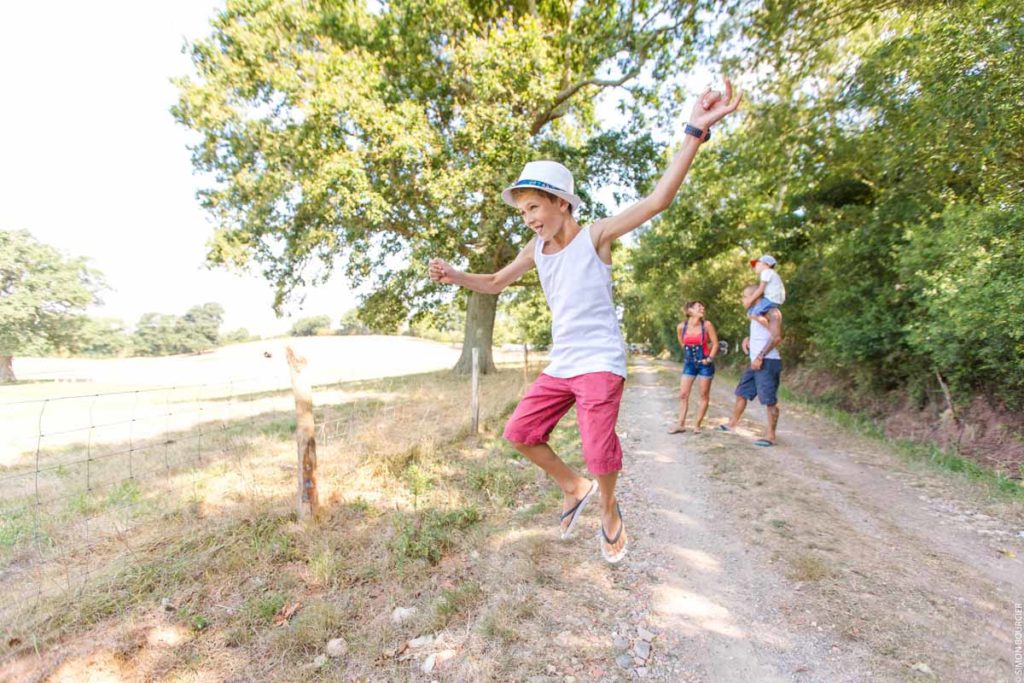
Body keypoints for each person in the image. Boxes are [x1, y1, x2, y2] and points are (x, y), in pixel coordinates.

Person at [428, 81, 742, 563]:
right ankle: (574, 487)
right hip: (563, 363)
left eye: (533, 207)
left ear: (561, 202)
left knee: (599, 451)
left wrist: (694, 131)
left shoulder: (596, 237)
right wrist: (455, 275)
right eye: (522, 211)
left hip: (600, 361)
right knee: (520, 432)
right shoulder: (535, 250)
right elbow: (493, 282)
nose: (528, 218)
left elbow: (657, 200)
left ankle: (610, 511)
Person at [718, 284, 783, 446]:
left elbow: (776, 337)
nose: (743, 300)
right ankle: (732, 424)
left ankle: (770, 436)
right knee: (742, 392)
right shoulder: (755, 313)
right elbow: (763, 334)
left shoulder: (772, 311)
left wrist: (760, 356)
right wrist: (748, 339)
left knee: (769, 400)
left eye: (745, 296)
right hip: (755, 361)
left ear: (756, 296)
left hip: (767, 361)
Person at [668, 300, 719, 434]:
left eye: (703, 306)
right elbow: (682, 343)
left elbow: (715, 344)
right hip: (689, 363)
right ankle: (680, 425)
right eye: (698, 306)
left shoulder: (707, 325)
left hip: (705, 364)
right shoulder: (681, 327)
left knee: (703, 395)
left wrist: (709, 359)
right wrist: (689, 357)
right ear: (689, 310)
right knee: (683, 395)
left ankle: (697, 425)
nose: (702, 308)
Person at [747, 254, 786, 328]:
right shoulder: (772, 273)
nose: (755, 267)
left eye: (757, 264)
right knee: (751, 311)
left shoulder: (766, 272)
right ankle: (768, 322)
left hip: (771, 299)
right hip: (774, 299)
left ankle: (769, 330)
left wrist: (750, 300)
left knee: (754, 314)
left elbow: (761, 289)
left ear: (767, 264)